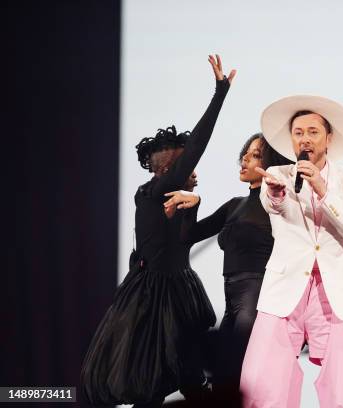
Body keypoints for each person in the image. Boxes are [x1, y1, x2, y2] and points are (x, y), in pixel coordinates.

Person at [80, 55, 235, 407]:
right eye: (185, 163)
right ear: (170, 167)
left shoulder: (176, 196)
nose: (193, 168)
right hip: (157, 300)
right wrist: (220, 94)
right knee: (151, 381)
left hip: (178, 287)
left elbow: (184, 240)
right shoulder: (158, 191)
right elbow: (198, 145)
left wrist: (198, 207)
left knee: (185, 377)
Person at [239, 95, 343, 407]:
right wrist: (273, 195)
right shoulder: (279, 174)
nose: (305, 139)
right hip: (285, 288)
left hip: (332, 292)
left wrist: (324, 191)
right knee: (264, 384)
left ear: (329, 138)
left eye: (313, 132)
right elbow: (276, 206)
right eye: (298, 132)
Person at [162, 133, 292, 406]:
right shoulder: (235, 205)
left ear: (272, 163)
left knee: (238, 376)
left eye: (255, 155)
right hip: (232, 303)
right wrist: (193, 204)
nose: (244, 158)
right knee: (221, 380)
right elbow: (188, 236)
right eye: (246, 152)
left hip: (255, 299)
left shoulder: (280, 206)